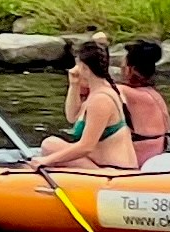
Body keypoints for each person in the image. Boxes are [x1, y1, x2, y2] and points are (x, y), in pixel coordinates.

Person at [28, 38, 139, 173]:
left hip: (115, 171)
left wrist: (46, 160)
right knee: (50, 144)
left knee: (50, 146)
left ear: (85, 68)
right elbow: (72, 116)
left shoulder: (101, 99)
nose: (75, 69)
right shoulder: (98, 92)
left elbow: (86, 146)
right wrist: (74, 84)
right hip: (102, 166)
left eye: (78, 65)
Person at [119, 39, 170, 162]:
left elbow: (97, 86)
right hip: (158, 154)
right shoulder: (154, 94)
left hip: (143, 160)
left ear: (131, 69)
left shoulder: (127, 93)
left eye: (123, 66)